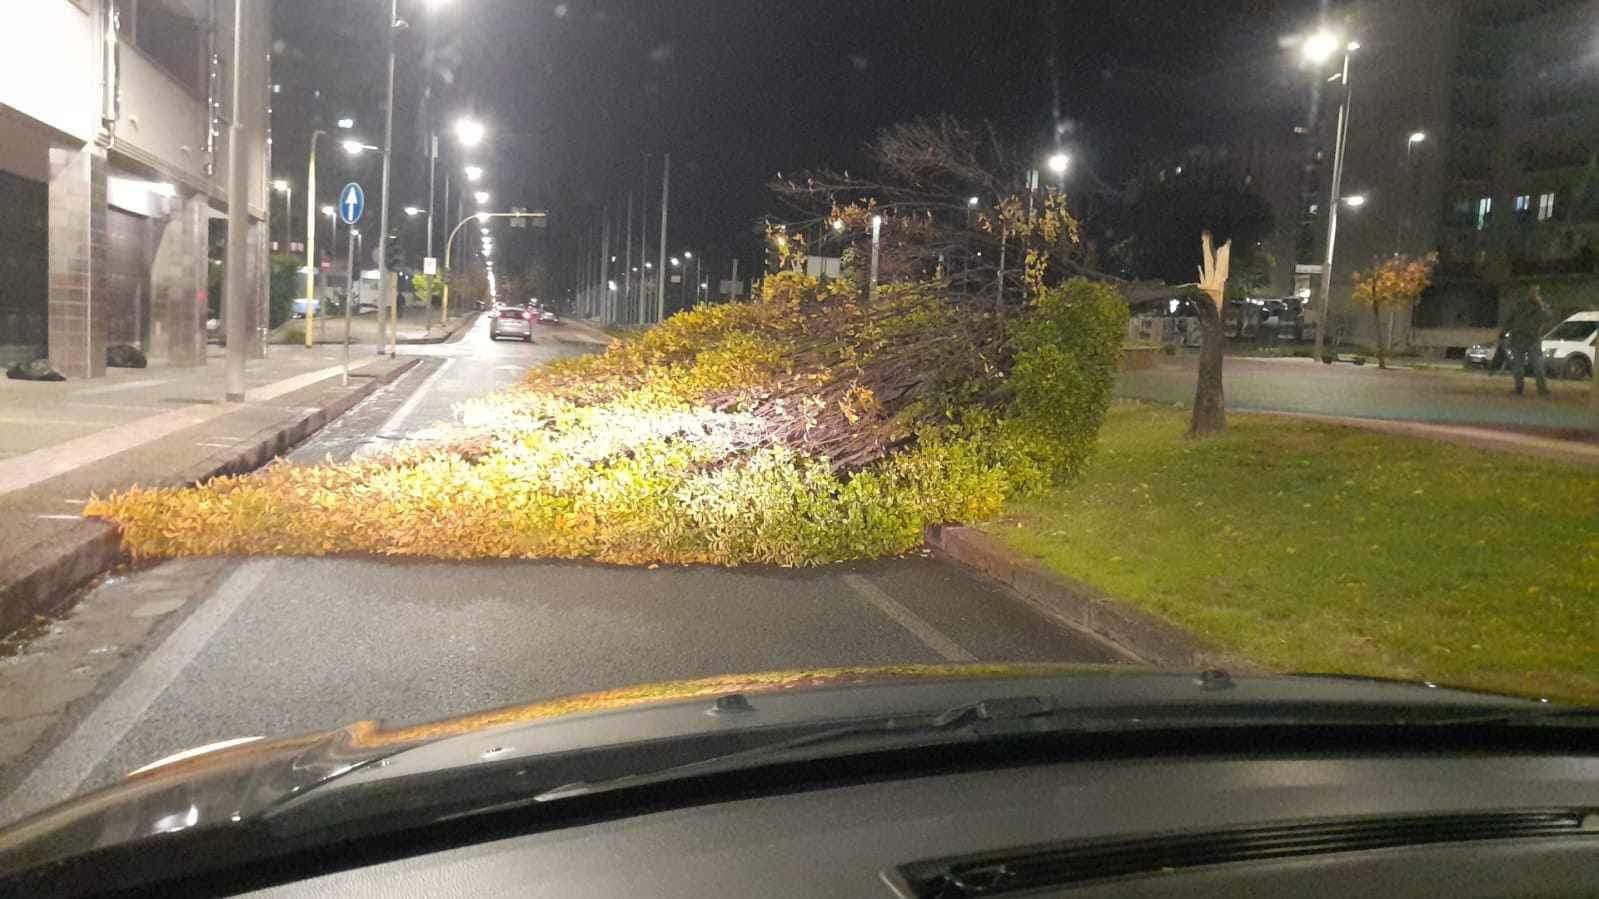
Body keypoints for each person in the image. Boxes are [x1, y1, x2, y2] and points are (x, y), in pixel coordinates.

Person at [1501, 286, 1551, 396]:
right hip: (1529, 339)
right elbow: (1547, 317)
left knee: (1520, 364)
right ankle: (1541, 389)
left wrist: (1504, 332)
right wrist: (1541, 303)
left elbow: (1510, 320)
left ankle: (1520, 388)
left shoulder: (1521, 305)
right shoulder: (1537, 306)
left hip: (1521, 338)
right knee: (1535, 364)